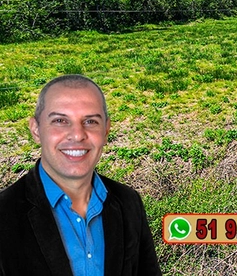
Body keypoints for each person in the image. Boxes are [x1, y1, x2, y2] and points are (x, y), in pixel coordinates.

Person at [0, 74, 161, 276]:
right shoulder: (4, 214)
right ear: (36, 129)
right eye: (60, 120)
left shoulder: (129, 202)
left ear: (106, 129)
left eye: (91, 121)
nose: (77, 135)